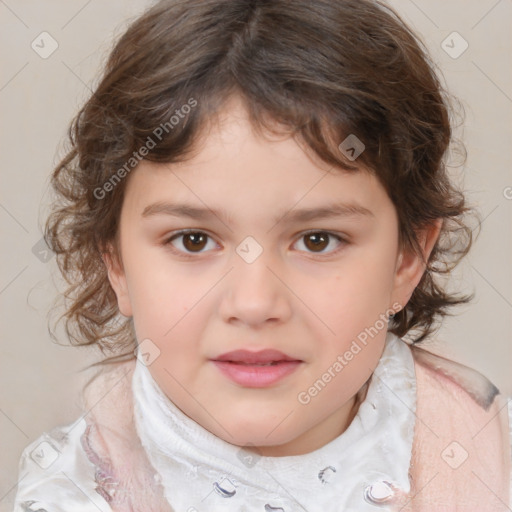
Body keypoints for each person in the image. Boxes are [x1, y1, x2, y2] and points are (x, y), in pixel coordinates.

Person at [13, 0, 511, 510]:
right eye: (193, 240)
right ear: (116, 264)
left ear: (407, 258)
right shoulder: (76, 493)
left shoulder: (488, 451)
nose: (254, 304)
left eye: (318, 240)